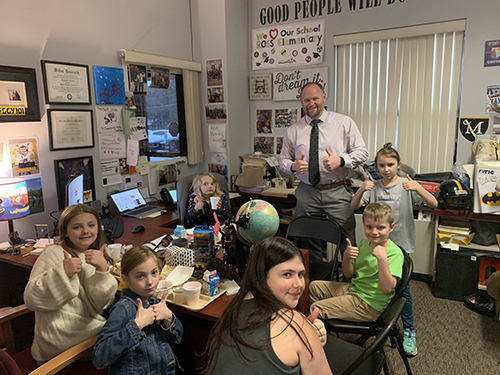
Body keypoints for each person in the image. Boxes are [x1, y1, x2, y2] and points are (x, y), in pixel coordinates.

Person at [350, 142, 438, 357]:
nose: (386, 169)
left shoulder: (406, 186)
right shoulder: (375, 187)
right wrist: (363, 187)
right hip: (378, 246)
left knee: (402, 290)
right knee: (375, 282)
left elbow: (434, 203)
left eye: (390, 164)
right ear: (376, 167)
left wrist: (418, 188)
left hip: (401, 245)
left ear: (399, 165)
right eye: (381, 165)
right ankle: (376, 319)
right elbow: (353, 207)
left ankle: (409, 330)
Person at [206, 237, 331, 375]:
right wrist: (306, 333)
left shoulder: (232, 311)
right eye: (287, 274)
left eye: (301, 274)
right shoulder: (295, 324)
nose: (299, 284)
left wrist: (307, 334)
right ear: (262, 275)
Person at [279, 82, 368, 249]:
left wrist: (341, 160)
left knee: (347, 241)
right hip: (307, 192)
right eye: (306, 100)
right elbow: (282, 160)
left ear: (324, 98)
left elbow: (362, 153)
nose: (311, 103)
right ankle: (313, 273)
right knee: (308, 239)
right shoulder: (293, 130)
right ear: (301, 102)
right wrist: (293, 167)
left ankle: (349, 275)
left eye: (315, 98)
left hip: (337, 192)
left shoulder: (344, 123)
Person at [23, 204, 117, 364]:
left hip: (85, 330)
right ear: (65, 231)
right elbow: (31, 299)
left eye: (91, 225)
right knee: (132, 328)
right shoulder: (54, 253)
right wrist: (62, 273)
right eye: (77, 227)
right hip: (62, 338)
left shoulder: (94, 255)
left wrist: (102, 269)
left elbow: (102, 304)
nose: (86, 231)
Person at [93, 245, 183, 374]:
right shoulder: (123, 309)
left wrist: (169, 318)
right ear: (126, 279)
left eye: (154, 273)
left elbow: (177, 338)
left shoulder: (153, 301)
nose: (150, 282)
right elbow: (99, 358)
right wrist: (136, 326)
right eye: (140, 276)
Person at [310, 202, 403, 323]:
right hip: (355, 290)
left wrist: (382, 260)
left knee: (316, 309)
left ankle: (314, 333)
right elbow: (348, 274)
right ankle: (322, 327)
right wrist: (346, 257)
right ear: (363, 224)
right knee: (314, 287)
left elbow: (387, 289)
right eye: (369, 227)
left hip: (370, 304)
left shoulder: (394, 253)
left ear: (391, 227)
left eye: (380, 227)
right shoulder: (364, 243)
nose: (374, 232)